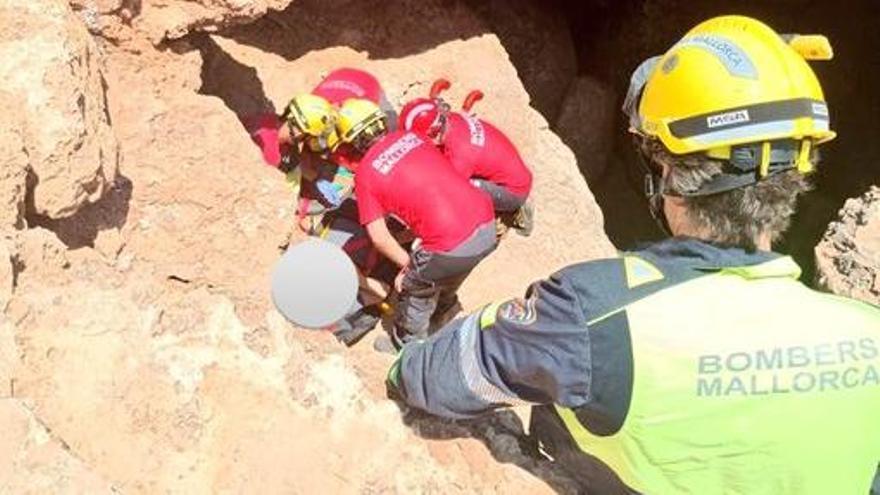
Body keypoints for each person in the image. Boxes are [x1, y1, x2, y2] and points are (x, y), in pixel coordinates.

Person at [384, 15, 880, 493]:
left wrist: (400, 363)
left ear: (668, 172)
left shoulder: (594, 312)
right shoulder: (867, 330)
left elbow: (436, 376)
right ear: (797, 172)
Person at [334, 97, 498, 350]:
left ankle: (408, 348)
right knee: (449, 272)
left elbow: (379, 237)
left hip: (451, 246)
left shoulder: (366, 173)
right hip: (486, 224)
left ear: (350, 142)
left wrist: (408, 268)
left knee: (416, 287)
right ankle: (444, 309)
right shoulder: (414, 137)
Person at [398, 85, 534, 236]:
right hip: (509, 171)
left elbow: (444, 195)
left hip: (513, 191)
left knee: (459, 195)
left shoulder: (460, 155)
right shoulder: (451, 119)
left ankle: (510, 214)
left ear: (434, 133)